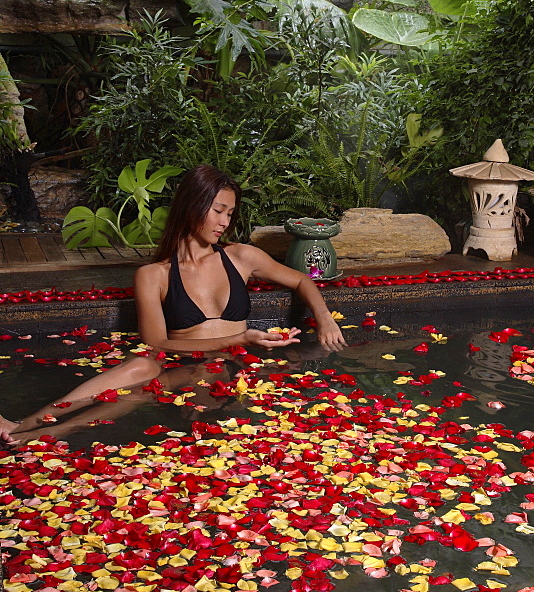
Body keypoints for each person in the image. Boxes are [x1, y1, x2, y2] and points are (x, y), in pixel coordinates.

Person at [0, 165, 345, 443]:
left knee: (177, 374)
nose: (225, 221)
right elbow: (156, 343)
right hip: (185, 362)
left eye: (230, 213)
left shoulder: (242, 257)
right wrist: (237, 340)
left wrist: (325, 319)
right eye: (218, 210)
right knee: (141, 367)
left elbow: (302, 279)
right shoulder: (154, 275)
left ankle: (47, 432)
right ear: (193, 206)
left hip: (231, 366)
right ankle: (23, 425)